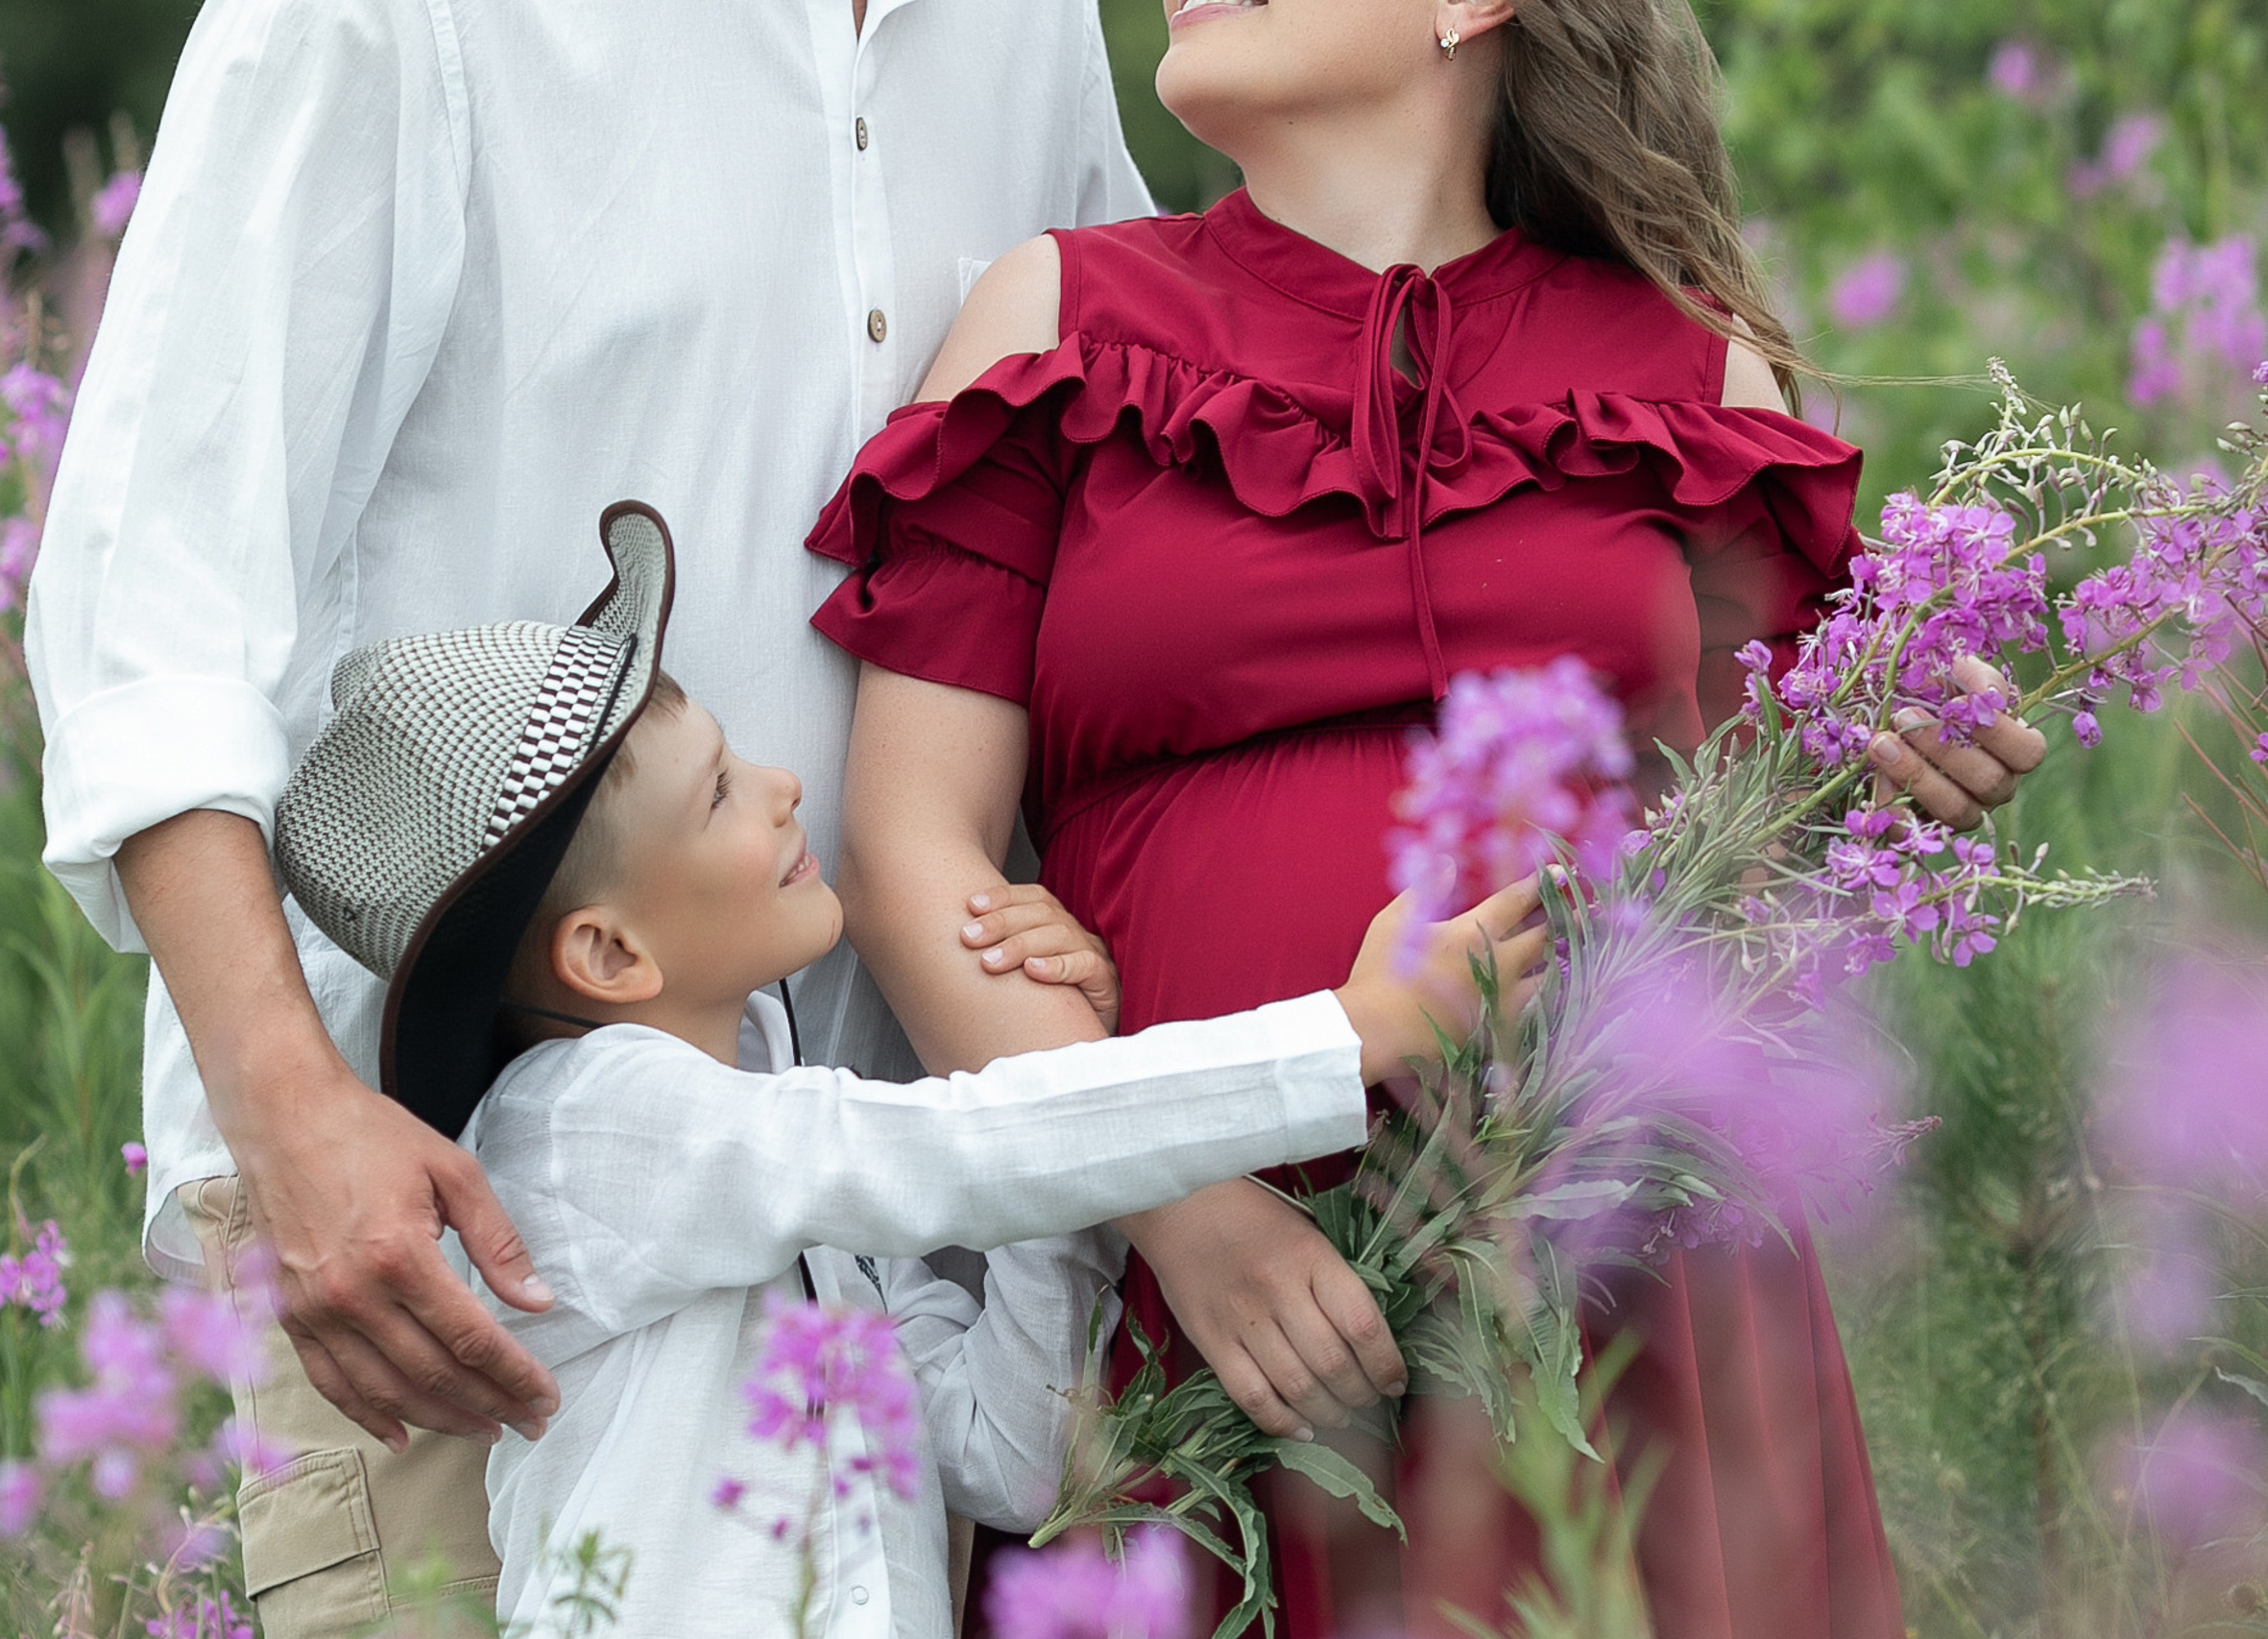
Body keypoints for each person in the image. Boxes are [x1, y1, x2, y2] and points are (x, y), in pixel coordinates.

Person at [808, 0, 2049, 1634]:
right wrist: (1181, 1211)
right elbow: (909, 860)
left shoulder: (1689, 364)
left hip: (1619, 1277)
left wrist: (1893, 739)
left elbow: (1749, 836)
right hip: (1218, 1310)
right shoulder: (1055, 315)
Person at [22, 0, 1152, 1627]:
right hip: (462, 1259)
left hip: (884, 1267)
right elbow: (157, 593)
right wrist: (291, 1112)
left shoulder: (1025, 21)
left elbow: (1105, 491)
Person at [264, 503, 1549, 1635]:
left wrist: (1063, 1089)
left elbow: (1012, 1457)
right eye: (717, 795)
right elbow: (955, 1154)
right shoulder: (585, 1131)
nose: (779, 790)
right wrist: (1351, 1031)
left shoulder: (771, 1153)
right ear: (607, 952)